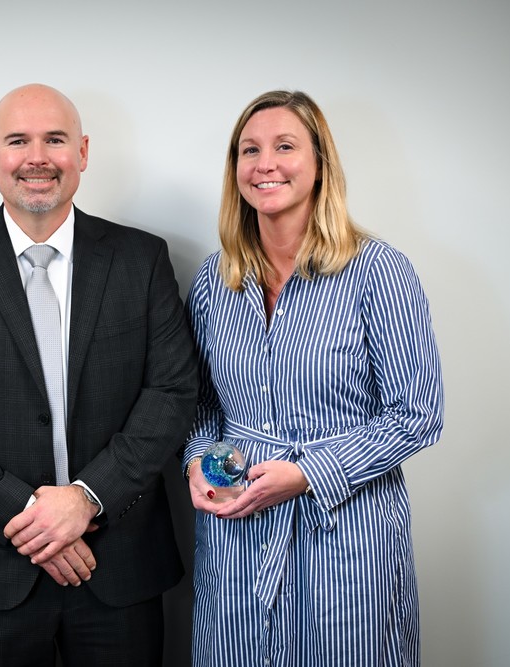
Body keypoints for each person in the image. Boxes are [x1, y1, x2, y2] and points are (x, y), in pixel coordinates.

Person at [0, 83, 198, 667]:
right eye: (18, 141)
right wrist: (31, 516)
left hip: (119, 562)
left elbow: (170, 392)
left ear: (82, 152)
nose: (37, 157)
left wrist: (86, 499)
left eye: (55, 140)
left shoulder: (141, 259)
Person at [183, 90, 444, 667]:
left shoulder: (379, 271)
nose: (265, 164)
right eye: (250, 150)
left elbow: (418, 414)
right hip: (237, 530)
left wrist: (307, 474)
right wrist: (199, 463)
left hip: (345, 532)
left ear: (320, 162)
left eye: (285, 147)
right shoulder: (214, 281)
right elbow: (201, 404)